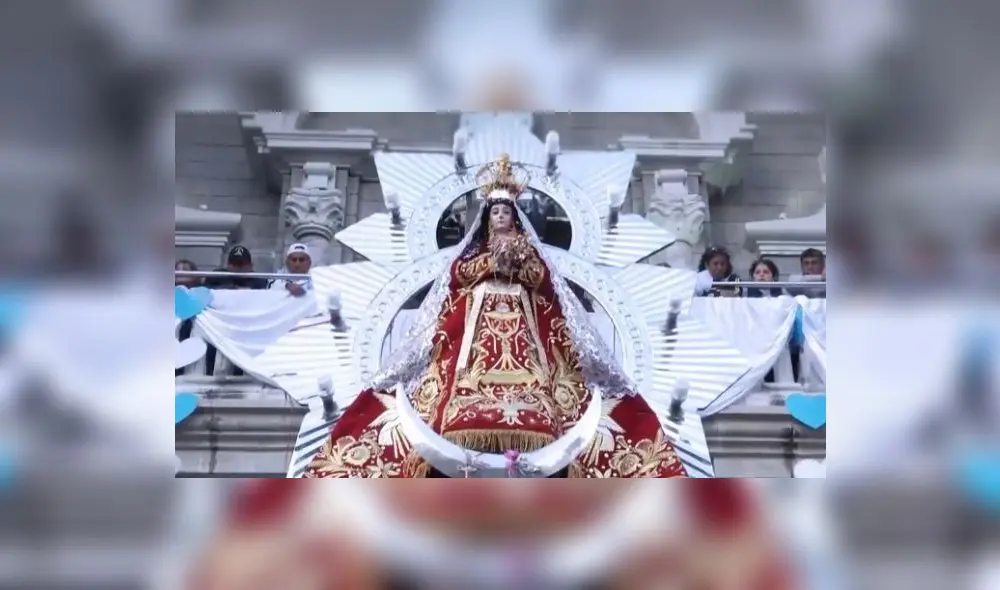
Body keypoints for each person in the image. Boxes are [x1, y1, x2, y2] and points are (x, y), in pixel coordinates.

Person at [305, 154, 688, 478]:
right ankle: (464, 409)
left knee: (544, 373)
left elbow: (547, 287)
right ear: (487, 217)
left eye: (507, 211)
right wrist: (491, 263)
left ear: (515, 217)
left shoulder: (530, 251)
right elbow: (456, 281)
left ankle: (538, 412)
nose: (502, 216)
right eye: (496, 211)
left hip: (524, 330)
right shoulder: (472, 254)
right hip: (476, 330)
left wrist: (520, 264)